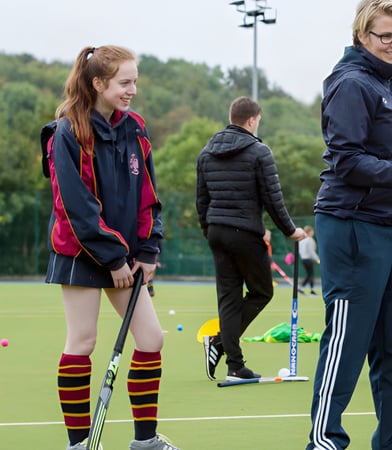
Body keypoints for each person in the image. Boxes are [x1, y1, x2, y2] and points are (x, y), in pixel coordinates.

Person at [307, 1, 392, 448]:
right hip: (351, 224)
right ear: (362, 36)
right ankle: (325, 439)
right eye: (386, 36)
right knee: (347, 341)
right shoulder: (349, 84)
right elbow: (347, 161)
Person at [44, 45, 179, 450]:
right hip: (80, 251)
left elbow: (147, 197)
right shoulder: (68, 132)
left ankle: (145, 441)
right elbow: (75, 205)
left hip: (126, 257)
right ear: (98, 83)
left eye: (134, 81)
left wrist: (148, 250)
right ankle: (80, 443)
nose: (132, 90)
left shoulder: (135, 128)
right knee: (82, 341)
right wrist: (113, 256)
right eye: (124, 82)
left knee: (152, 338)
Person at [196, 96, 306, 382]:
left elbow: (201, 199)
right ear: (252, 120)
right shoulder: (259, 152)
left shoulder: (207, 151)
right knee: (261, 292)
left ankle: (235, 365)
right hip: (244, 232)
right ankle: (221, 343)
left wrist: (209, 230)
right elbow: (273, 198)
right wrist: (290, 230)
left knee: (229, 298)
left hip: (217, 230)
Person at [299, 225, 320, 295]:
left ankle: (306, 289)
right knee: (311, 275)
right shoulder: (310, 240)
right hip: (308, 259)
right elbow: (311, 251)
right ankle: (310, 290)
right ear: (309, 232)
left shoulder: (301, 240)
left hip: (303, 259)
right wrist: (317, 259)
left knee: (309, 274)